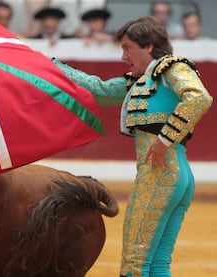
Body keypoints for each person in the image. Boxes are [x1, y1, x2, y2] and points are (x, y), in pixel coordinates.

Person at [52, 16, 213, 276]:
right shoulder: (142, 81)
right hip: (176, 176)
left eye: (127, 47)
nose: (123, 56)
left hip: (158, 175)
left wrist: (163, 140)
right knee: (158, 263)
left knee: (135, 264)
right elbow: (98, 89)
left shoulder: (170, 68)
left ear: (148, 46)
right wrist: (50, 66)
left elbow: (199, 97)